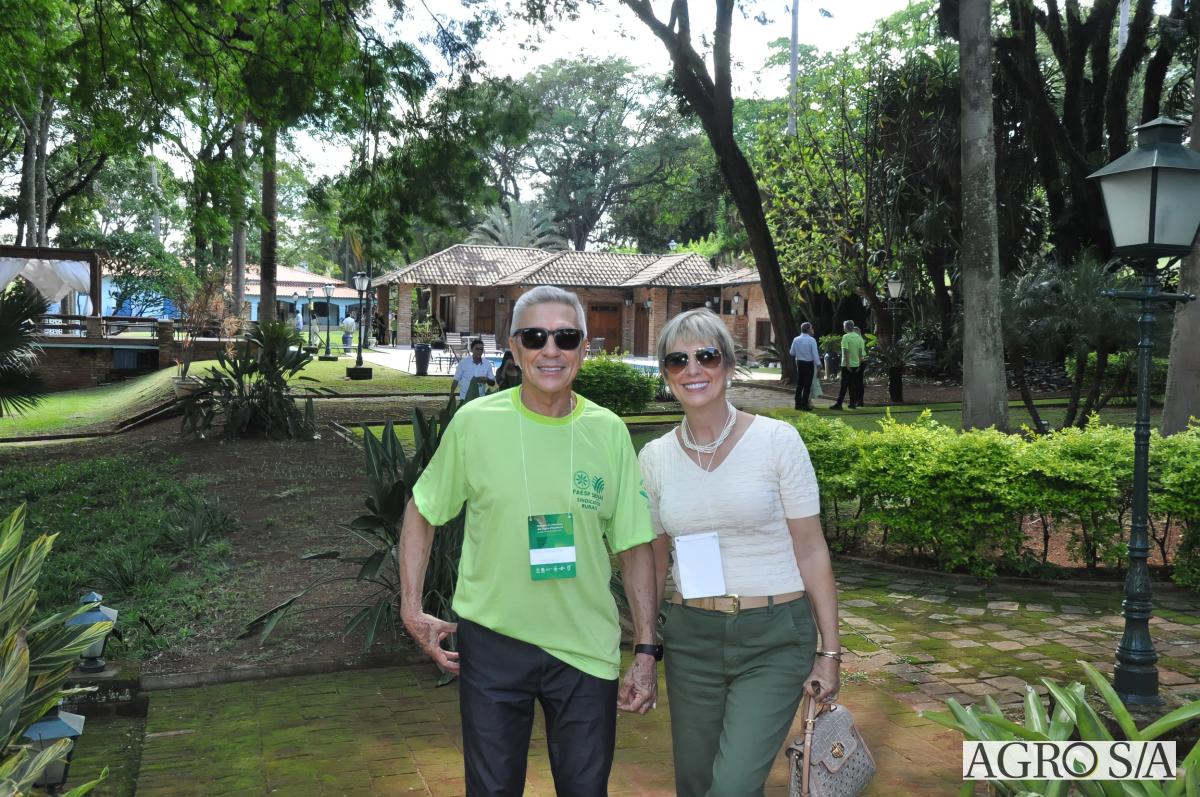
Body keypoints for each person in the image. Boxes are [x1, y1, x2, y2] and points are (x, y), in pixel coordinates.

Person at [399, 285, 660, 797]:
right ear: (514, 349)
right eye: (535, 337)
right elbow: (422, 511)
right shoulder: (475, 423)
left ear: (584, 347)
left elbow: (633, 546)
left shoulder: (609, 432)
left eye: (566, 337)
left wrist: (647, 649)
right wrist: (411, 608)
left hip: (585, 648)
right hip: (494, 642)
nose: (551, 350)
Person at [638, 308, 842, 797]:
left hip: (774, 636)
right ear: (665, 374)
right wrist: (645, 650)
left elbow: (811, 550)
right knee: (695, 784)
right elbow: (655, 563)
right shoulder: (654, 458)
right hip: (692, 639)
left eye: (707, 356)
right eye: (677, 360)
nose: (693, 370)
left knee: (731, 786)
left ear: (729, 365)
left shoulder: (777, 441)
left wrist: (830, 652)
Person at [830, 320, 866, 410]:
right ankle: (852, 403)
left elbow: (845, 351)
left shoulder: (845, 337)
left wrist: (847, 365)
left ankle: (839, 404)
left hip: (847, 365)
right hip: (856, 364)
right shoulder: (859, 338)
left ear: (846, 328)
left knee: (844, 385)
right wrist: (859, 364)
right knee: (851, 384)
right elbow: (860, 352)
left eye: (844, 327)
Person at [789, 321, 821, 410]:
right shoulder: (812, 340)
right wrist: (819, 364)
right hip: (809, 363)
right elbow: (815, 354)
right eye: (811, 328)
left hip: (799, 363)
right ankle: (804, 404)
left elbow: (792, 352)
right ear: (809, 329)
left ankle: (797, 404)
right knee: (807, 385)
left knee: (800, 384)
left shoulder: (796, 339)